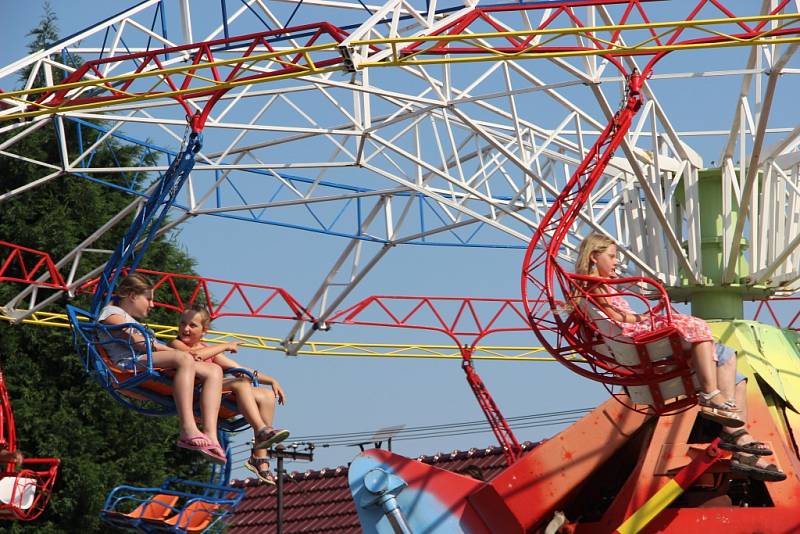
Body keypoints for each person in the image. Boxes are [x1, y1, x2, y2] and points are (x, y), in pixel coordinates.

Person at [575, 233, 785, 481]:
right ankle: (712, 396)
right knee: (698, 328)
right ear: (593, 256)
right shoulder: (593, 288)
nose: (615, 263)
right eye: (611, 256)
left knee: (735, 373)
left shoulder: (597, 289)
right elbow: (620, 319)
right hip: (640, 344)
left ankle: (738, 439)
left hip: (640, 346)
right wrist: (641, 319)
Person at [97, 274, 226, 464]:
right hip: (129, 365)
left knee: (214, 371)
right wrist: (176, 352)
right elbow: (140, 342)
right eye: (148, 299)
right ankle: (187, 428)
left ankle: (211, 434)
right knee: (183, 358)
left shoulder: (127, 318)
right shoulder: (111, 313)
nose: (152, 304)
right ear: (132, 295)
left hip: (144, 360)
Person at [168, 305, 290, 485]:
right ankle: (261, 430)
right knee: (241, 384)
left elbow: (239, 369)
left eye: (192, 325)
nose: (185, 329)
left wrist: (270, 380)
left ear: (204, 331)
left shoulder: (208, 349)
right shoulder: (175, 344)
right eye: (183, 324)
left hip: (213, 388)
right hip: (196, 390)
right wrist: (224, 346)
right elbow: (193, 356)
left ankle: (259, 456)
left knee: (265, 395)